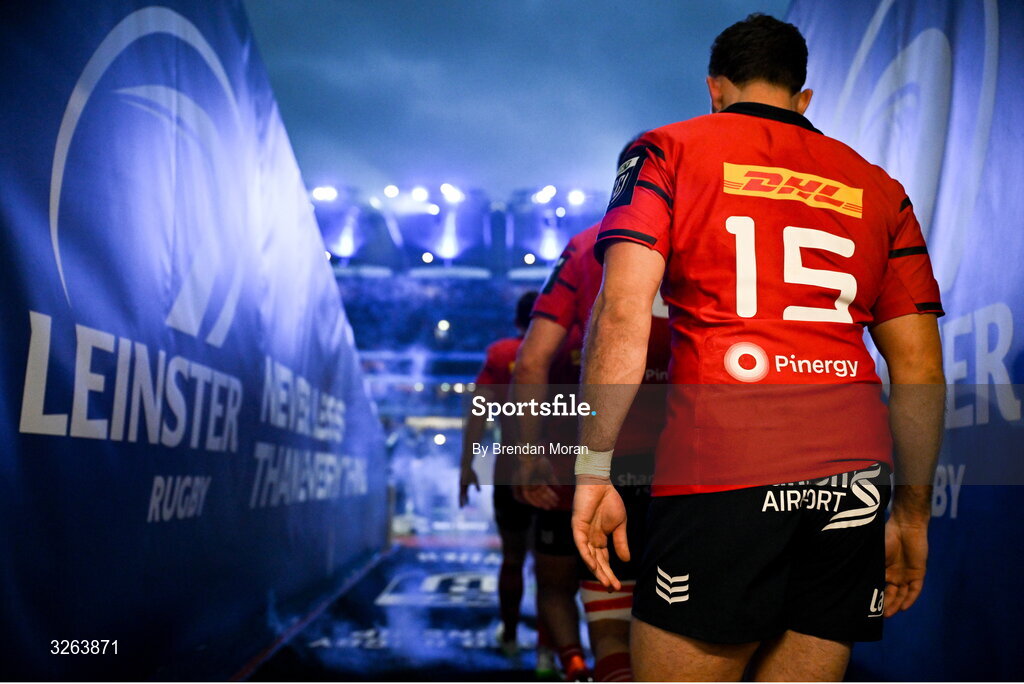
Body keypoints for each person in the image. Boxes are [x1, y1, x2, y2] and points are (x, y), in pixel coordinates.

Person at [572, 13, 945, 681]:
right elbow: (918, 365)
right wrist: (911, 512)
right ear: (804, 99)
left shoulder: (665, 148)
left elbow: (623, 311)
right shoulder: (881, 188)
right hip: (851, 475)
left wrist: (593, 469)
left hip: (721, 462)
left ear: (715, 88)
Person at [516, 146, 671, 679]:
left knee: (602, 615)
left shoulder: (586, 246)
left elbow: (530, 362)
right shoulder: (701, 232)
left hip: (591, 462)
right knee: (684, 630)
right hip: (687, 467)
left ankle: (574, 666)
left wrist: (527, 454)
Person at [459, 290, 556, 673]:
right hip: (558, 470)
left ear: (518, 320)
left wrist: (466, 466)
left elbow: (478, 413)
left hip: (510, 468)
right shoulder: (567, 349)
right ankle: (550, 650)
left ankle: (512, 637)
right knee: (554, 567)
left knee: (513, 559)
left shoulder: (501, 354)